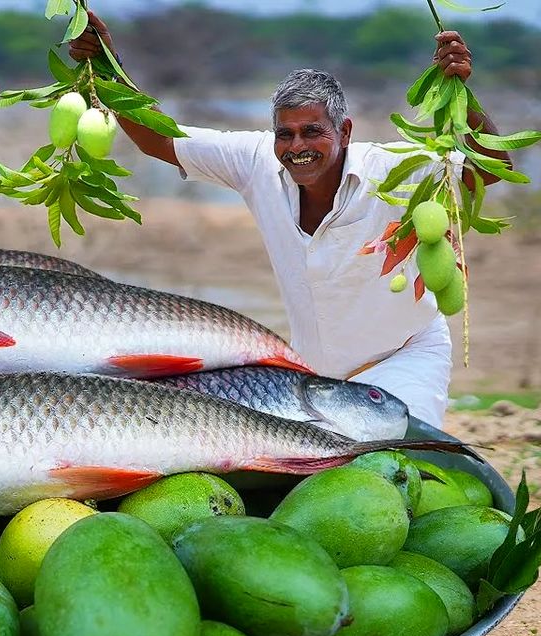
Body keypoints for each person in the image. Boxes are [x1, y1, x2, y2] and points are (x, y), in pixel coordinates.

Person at [68, 13, 512, 429]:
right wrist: (108, 67)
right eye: (286, 133)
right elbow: (160, 140)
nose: (297, 145)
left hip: (405, 357)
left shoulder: (394, 170)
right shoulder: (256, 162)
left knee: (401, 465)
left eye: (312, 131)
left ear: (344, 132)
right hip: (314, 375)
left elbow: (492, 167)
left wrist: (462, 94)